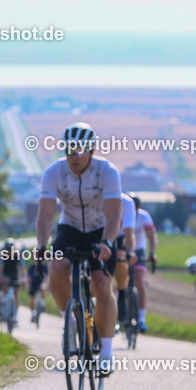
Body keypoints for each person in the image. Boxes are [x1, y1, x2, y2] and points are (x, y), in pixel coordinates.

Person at [35, 122, 122, 374]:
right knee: (57, 267)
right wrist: (41, 245)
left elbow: (114, 213)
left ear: (91, 149)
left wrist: (107, 242)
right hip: (70, 228)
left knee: (102, 284)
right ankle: (71, 321)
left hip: (100, 229)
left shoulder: (107, 171)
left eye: (80, 150)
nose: (74, 155)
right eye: (69, 149)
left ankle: (106, 352)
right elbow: (45, 214)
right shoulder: (54, 172)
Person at [131, 195, 157, 332]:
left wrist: (152, 253)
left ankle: (141, 318)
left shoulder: (143, 216)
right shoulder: (122, 214)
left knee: (139, 280)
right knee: (117, 281)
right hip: (125, 249)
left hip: (139, 250)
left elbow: (151, 236)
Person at [114, 192, 138, 327]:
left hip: (119, 236)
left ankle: (122, 294)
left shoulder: (126, 202)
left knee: (120, 259)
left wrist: (130, 252)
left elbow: (129, 233)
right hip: (100, 233)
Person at [0, 238, 24, 324]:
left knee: (16, 294)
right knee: (2, 287)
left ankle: (15, 316)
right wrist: (0, 278)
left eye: (10, 249)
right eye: (8, 249)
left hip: (15, 276)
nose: (9, 251)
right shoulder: (2, 256)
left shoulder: (18, 255)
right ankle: (1, 304)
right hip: (5, 276)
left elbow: (22, 268)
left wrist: (23, 278)